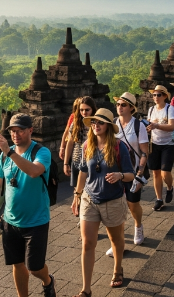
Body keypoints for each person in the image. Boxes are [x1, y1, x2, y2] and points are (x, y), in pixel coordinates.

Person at [0, 114, 56, 297]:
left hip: (36, 220)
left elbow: (34, 171)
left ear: (30, 131)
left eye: (20, 130)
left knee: (35, 267)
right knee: (17, 263)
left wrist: (10, 153)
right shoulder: (5, 155)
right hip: (10, 221)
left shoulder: (41, 152)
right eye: (12, 131)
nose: (15, 134)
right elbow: (0, 187)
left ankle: (47, 281)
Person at [71, 108, 135, 295]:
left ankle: (117, 268)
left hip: (113, 200)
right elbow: (84, 171)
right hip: (90, 199)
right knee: (87, 243)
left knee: (116, 239)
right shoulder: (86, 146)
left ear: (108, 126)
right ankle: (86, 289)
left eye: (100, 123)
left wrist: (119, 175)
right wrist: (77, 194)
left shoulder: (118, 146)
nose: (96, 126)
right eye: (94, 123)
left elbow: (131, 175)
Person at [105, 92, 149, 256]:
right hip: (115, 171)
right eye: (118, 104)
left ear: (131, 108)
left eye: (123, 105)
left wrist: (139, 174)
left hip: (133, 171)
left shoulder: (138, 126)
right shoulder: (113, 124)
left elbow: (144, 152)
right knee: (116, 207)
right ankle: (117, 242)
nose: (120, 107)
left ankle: (138, 226)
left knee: (132, 204)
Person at [146, 84, 174, 211]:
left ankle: (169, 187)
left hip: (168, 144)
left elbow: (171, 126)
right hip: (154, 143)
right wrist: (148, 128)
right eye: (154, 95)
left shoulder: (169, 109)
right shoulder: (151, 110)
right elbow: (150, 124)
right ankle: (159, 199)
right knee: (156, 173)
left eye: (158, 95)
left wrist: (156, 125)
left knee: (165, 173)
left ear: (165, 96)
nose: (155, 97)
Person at [63, 97, 97, 190]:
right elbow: (70, 143)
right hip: (77, 160)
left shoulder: (97, 123)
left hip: (92, 161)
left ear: (92, 109)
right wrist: (66, 163)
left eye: (87, 110)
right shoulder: (76, 123)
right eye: (81, 110)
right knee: (77, 192)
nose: (84, 112)